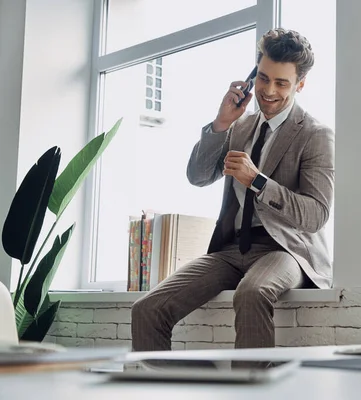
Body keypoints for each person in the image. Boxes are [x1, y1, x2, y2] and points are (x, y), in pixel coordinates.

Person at [131, 28, 334, 351]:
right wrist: (221, 124)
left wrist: (258, 181)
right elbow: (198, 177)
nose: (268, 91)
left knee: (252, 293)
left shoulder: (315, 134)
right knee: (147, 309)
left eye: (281, 83)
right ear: (253, 74)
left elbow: (315, 216)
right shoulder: (239, 126)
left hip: (285, 250)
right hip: (231, 251)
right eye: (263, 78)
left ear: (300, 84)